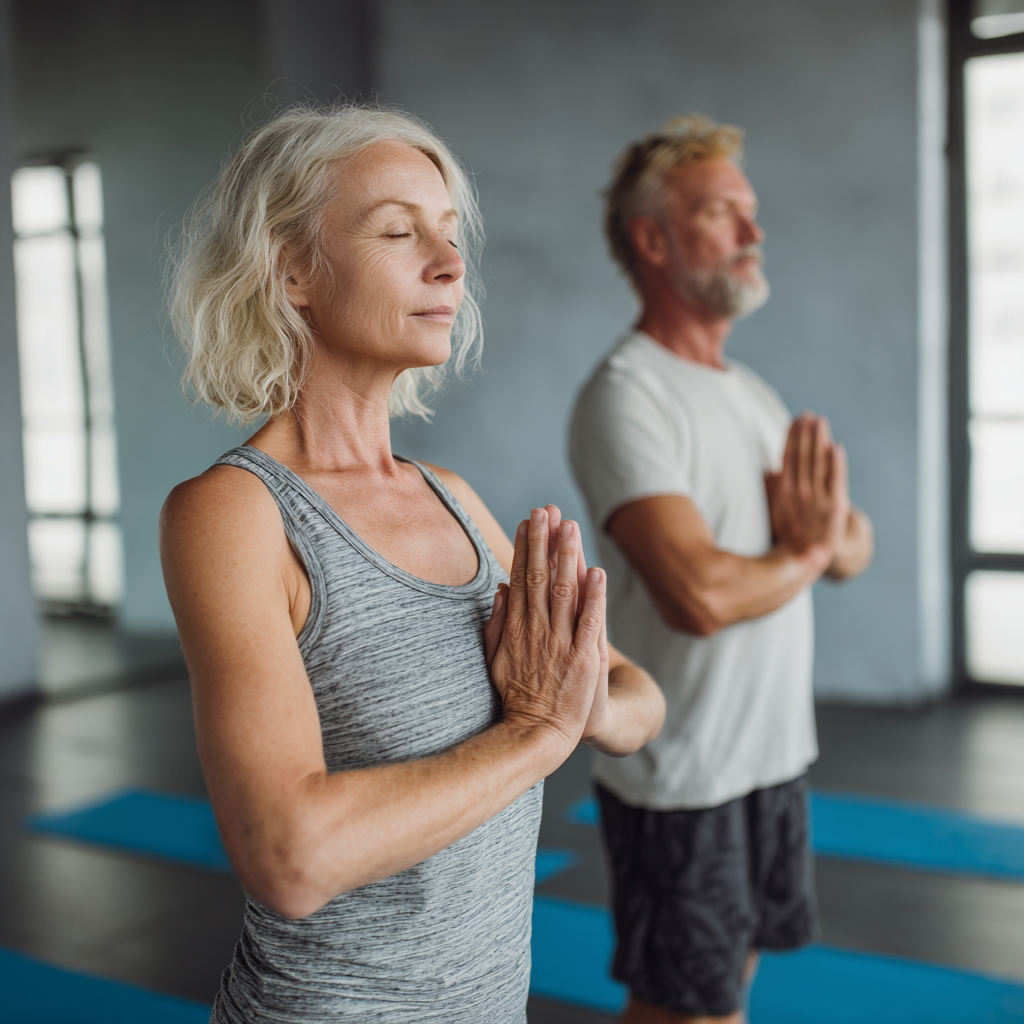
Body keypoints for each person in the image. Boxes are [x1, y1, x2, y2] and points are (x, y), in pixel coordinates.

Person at [160, 103, 665, 1024]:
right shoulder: (236, 514)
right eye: (398, 230)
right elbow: (290, 857)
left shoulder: (453, 499)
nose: (449, 260)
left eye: (450, 231)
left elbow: (639, 701)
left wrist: (573, 696)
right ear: (293, 270)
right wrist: (536, 735)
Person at [569, 115, 874, 1024]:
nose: (754, 231)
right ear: (653, 239)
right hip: (684, 774)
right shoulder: (628, 396)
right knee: (683, 1010)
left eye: (751, 213)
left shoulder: (750, 393)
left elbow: (854, 546)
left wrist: (812, 548)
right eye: (723, 213)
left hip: (773, 756)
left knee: (729, 987)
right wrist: (806, 552)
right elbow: (699, 593)